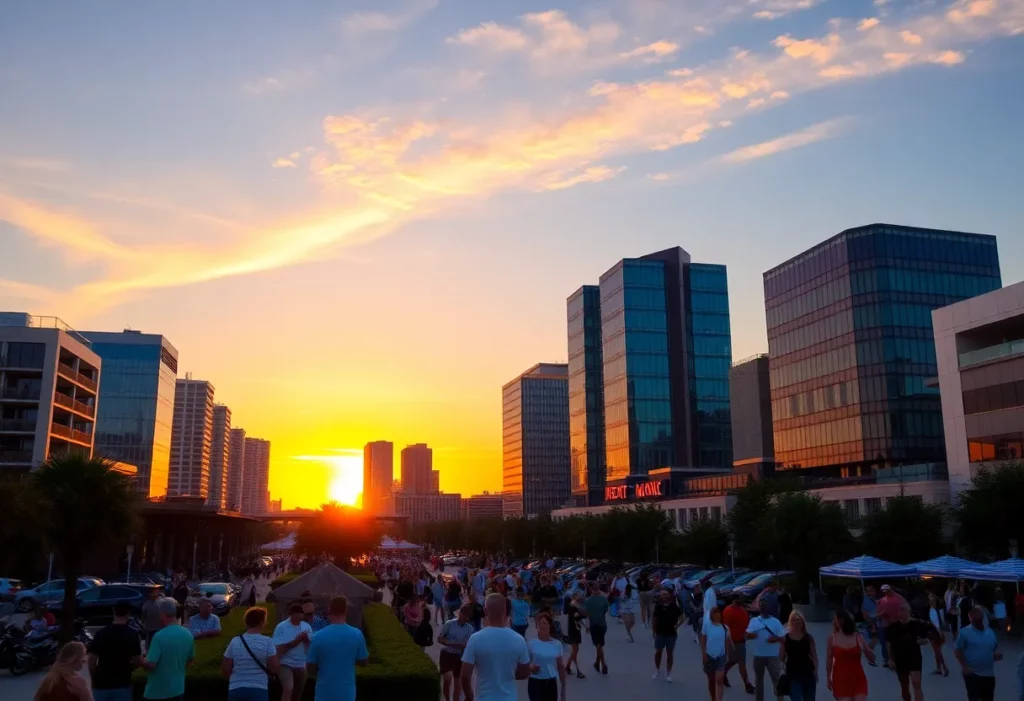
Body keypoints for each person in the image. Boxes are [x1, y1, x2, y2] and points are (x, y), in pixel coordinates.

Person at [460, 593, 532, 701]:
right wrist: (509, 673)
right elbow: (525, 672)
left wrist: (469, 696)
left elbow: (465, 675)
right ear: (505, 611)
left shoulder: (475, 639)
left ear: (485, 610)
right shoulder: (518, 640)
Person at [306, 596, 370, 701]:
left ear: (329, 610)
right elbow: (364, 662)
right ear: (346, 610)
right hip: (347, 694)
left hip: (324, 693)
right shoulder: (357, 634)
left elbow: (310, 668)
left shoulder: (318, 636)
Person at [142, 597, 195, 701]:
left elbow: (151, 664)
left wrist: (140, 661)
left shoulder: (159, 636)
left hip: (157, 692)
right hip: (178, 689)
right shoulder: (188, 634)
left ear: (162, 614)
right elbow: (190, 660)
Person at [88, 600, 143, 701]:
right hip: (123, 681)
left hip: (101, 682)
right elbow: (136, 660)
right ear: (128, 614)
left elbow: (91, 660)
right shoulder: (133, 634)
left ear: (114, 611)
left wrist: (94, 676)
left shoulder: (100, 633)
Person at [221, 607, 279, 701]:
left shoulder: (235, 641)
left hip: (236, 688)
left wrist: (235, 680)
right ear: (261, 622)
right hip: (259, 688)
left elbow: (225, 668)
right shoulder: (267, 642)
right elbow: (274, 667)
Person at [954, 605, 1001, 701]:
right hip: (973, 674)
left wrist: (995, 656)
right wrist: (964, 667)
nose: (978, 620)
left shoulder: (990, 633)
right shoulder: (965, 632)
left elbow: (991, 650)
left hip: (989, 675)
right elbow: (958, 650)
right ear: (970, 617)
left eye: (980, 618)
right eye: (975, 618)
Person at [885, 603, 930, 701]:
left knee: (916, 683)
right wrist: (890, 659)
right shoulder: (892, 628)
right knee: (904, 687)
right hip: (900, 658)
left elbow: (926, 639)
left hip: (914, 657)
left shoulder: (917, 624)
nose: (901, 612)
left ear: (908, 612)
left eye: (903, 610)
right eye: (899, 610)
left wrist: (922, 641)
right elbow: (889, 643)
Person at [826, 610, 873, 701]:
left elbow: (872, 658)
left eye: (839, 618)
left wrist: (868, 647)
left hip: (857, 678)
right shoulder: (832, 638)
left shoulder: (858, 637)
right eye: (836, 619)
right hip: (841, 679)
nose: (837, 621)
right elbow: (829, 659)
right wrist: (828, 677)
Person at [272, 603, 313, 701]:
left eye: (301, 614)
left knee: (298, 693)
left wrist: (306, 639)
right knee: (288, 688)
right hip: (285, 663)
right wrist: (295, 642)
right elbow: (278, 648)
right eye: (298, 613)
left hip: (301, 664)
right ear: (292, 614)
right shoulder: (281, 627)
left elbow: (311, 646)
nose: (300, 616)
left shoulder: (306, 626)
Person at [746, 604, 786, 701]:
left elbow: (783, 638)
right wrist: (752, 635)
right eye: (762, 606)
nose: (764, 608)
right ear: (760, 607)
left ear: (769, 607)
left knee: (776, 679)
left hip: (773, 655)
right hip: (758, 655)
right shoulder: (754, 621)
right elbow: (746, 635)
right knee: (759, 681)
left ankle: (780, 699)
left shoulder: (775, 622)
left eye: (766, 605)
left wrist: (775, 638)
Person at [527, 611, 566, 701]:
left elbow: (560, 666)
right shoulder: (532, 643)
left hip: (551, 682)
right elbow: (525, 663)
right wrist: (530, 666)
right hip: (535, 682)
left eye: (544, 623)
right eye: (539, 623)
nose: (541, 625)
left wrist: (563, 688)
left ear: (550, 626)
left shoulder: (557, 644)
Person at [439, 605, 476, 701]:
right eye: (465, 616)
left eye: (468, 617)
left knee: (458, 684)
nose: (466, 619)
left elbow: (468, 645)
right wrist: (451, 643)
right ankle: (447, 699)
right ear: (460, 613)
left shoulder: (470, 628)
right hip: (447, 654)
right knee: (447, 679)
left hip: (460, 656)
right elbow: (440, 638)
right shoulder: (449, 624)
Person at [780, 610, 818, 701]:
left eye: (798, 620)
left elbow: (814, 656)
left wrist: (816, 672)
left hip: (808, 673)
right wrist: (782, 645)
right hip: (793, 675)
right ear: (790, 622)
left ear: (802, 622)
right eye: (793, 620)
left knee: (810, 698)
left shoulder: (808, 638)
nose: (796, 622)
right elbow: (781, 657)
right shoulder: (786, 638)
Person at [722, 596, 756, 694]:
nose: (741, 600)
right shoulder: (729, 611)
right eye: (739, 599)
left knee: (735, 660)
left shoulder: (742, 611)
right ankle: (747, 684)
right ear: (734, 600)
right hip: (735, 641)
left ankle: (723, 672)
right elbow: (726, 628)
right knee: (741, 662)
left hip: (741, 640)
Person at [701, 606, 733, 701]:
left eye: (718, 612)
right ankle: (713, 698)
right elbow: (703, 640)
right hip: (709, 656)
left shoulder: (725, 628)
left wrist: (727, 655)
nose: (716, 614)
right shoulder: (707, 625)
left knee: (719, 680)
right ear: (711, 615)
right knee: (711, 681)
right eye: (714, 613)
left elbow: (727, 642)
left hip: (720, 657)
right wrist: (704, 655)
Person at [651, 588, 683, 682]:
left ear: (669, 595)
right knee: (658, 652)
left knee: (670, 653)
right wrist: (653, 631)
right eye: (662, 594)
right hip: (660, 633)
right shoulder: (658, 607)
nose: (664, 596)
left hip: (671, 634)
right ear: (660, 596)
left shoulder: (674, 606)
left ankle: (668, 673)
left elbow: (681, 617)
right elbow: (654, 619)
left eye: (665, 594)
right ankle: (657, 670)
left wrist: (677, 626)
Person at [584, 584, 610, 675]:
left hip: (594, 624)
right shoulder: (604, 599)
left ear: (592, 590)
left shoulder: (588, 601)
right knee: (600, 644)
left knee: (598, 644)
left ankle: (603, 664)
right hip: (603, 624)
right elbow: (606, 609)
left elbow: (586, 614)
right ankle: (596, 663)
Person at [564, 592, 586, 678]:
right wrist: (585, 614)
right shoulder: (572, 607)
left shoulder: (576, 606)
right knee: (575, 650)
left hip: (576, 630)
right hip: (573, 630)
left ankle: (568, 666)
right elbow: (578, 617)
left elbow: (579, 618)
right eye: (578, 596)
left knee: (575, 651)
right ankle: (577, 670)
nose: (580, 598)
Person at [927, 594, 949, 676]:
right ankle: (939, 668)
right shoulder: (937, 610)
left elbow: (935, 623)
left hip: (934, 633)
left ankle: (943, 667)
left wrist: (940, 632)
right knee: (937, 651)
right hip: (936, 632)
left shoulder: (932, 611)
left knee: (937, 651)